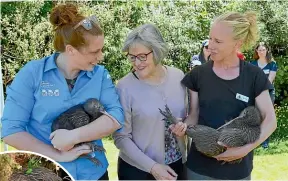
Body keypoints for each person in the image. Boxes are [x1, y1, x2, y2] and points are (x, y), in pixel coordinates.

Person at [1, 4, 124, 180]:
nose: (101, 56)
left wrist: (73, 136)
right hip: (47, 172)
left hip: (93, 172)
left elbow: (116, 116)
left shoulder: (100, 75)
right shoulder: (32, 73)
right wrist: (57, 155)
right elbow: (11, 130)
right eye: (94, 51)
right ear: (71, 50)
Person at [171, 11, 277, 180]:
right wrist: (183, 127)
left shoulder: (254, 75)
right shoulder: (198, 74)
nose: (210, 45)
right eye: (210, 38)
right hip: (199, 170)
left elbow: (270, 120)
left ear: (238, 43)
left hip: (237, 172)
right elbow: (193, 116)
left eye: (218, 41)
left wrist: (244, 149)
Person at [113, 23, 188, 180]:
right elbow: (121, 137)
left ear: (157, 51)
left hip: (177, 166)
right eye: (132, 57)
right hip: (138, 171)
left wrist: (183, 126)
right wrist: (152, 167)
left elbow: (187, 117)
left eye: (142, 56)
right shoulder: (124, 87)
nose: (137, 63)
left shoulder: (178, 76)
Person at [250, 42, 278, 149]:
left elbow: (269, 80)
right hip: (255, 93)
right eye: (259, 50)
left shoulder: (272, 64)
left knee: (267, 116)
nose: (261, 52)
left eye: (263, 50)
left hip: (268, 93)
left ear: (267, 51)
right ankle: (255, 140)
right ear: (257, 51)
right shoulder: (252, 64)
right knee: (256, 117)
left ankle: (265, 141)